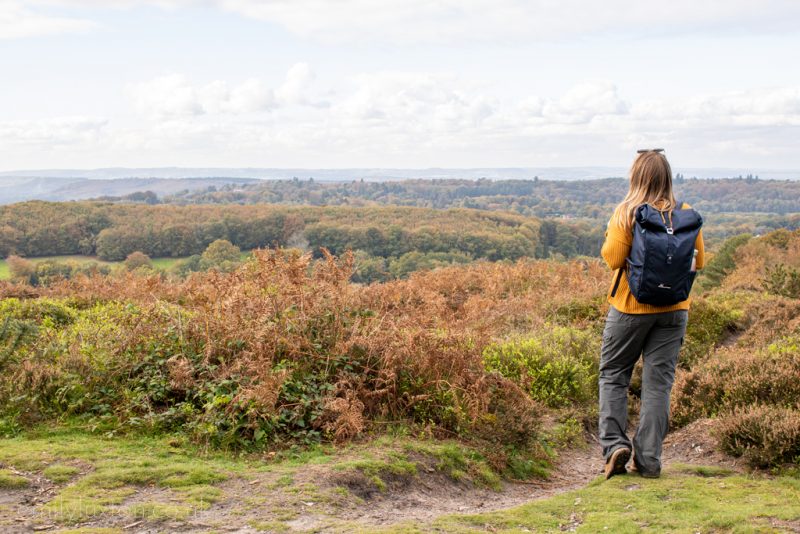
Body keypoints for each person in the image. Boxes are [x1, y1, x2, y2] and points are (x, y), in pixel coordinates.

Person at [598, 149, 705, 479]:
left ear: (636, 177)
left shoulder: (627, 212)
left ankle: (615, 445)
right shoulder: (685, 213)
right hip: (674, 310)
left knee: (614, 373)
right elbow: (699, 262)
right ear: (667, 177)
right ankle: (649, 462)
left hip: (631, 308)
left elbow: (613, 259)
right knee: (658, 385)